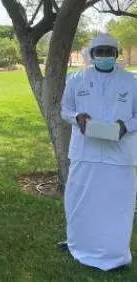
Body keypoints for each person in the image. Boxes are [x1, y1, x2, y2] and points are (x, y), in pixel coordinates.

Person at [61, 34, 137, 271]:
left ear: (116, 54)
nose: (104, 57)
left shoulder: (131, 81)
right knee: (80, 201)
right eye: (99, 52)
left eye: (108, 52)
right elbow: (65, 110)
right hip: (86, 153)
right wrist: (77, 118)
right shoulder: (76, 80)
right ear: (91, 55)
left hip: (119, 155)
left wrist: (126, 126)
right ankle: (79, 244)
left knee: (116, 205)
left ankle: (115, 254)